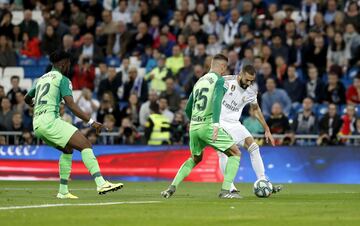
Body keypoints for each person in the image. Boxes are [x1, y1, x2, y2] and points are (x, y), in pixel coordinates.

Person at [24, 50, 123, 199]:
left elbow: (26, 98)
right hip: (51, 121)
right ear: (63, 63)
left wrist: (36, 104)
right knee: (86, 145)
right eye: (69, 64)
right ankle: (101, 183)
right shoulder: (62, 79)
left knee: (68, 150)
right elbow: (71, 105)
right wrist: (91, 122)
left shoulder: (40, 80)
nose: (69, 67)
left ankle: (63, 191)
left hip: (37, 124)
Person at [161, 54, 242, 199]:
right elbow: (217, 101)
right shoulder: (220, 80)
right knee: (235, 153)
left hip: (194, 127)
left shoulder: (199, 81)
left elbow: (187, 108)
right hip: (208, 126)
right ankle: (225, 191)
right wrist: (216, 124)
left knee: (195, 158)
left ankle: (171, 188)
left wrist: (194, 121)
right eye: (225, 67)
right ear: (222, 67)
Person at [217, 65, 282, 194]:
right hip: (219, 122)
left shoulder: (251, 91)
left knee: (254, 147)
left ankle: (263, 181)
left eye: (251, 81)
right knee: (224, 153)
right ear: (240, 74)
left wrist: (267, 129)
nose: (249, 83)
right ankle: (229, 187)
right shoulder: (226, 81)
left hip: (234, 123)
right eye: (247, 80)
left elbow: (256, 109)